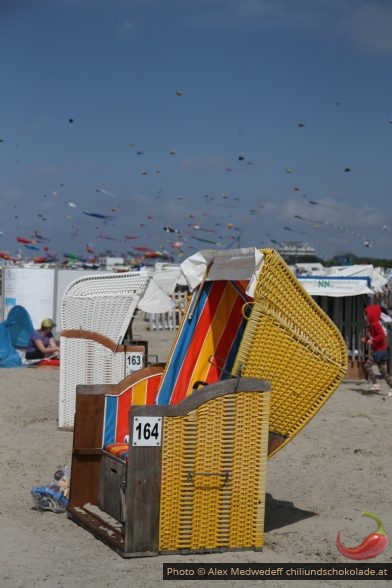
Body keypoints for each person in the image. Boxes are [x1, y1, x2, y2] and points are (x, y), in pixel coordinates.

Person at [362, 304, 392, 395]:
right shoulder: (371, 325)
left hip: (380, 351)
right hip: (380, 350)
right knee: (382, 370)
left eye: (367, 315)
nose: (365, 317)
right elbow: (373, 337)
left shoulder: (375, 324)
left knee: (367, 365)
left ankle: (375, 384)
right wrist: (366, 339)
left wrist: (373, 340)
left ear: (371, 315)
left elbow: (381, 335)